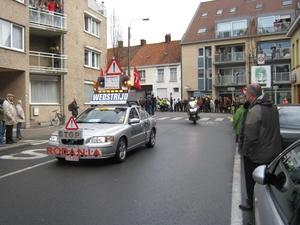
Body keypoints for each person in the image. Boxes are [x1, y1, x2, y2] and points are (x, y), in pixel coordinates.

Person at [239, 83, 282, 211]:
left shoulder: (255, 111)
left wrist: (246, 152)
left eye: (246, 94)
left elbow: (250, 137)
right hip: (273, 152)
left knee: (253, 182)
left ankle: (251, 204)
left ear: (251, 95)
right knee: (266, 183)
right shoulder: (273, 107)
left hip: (257, 155)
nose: (245, 96)